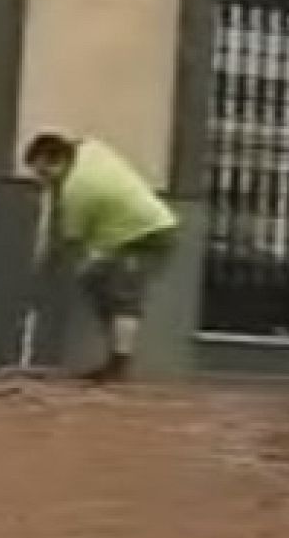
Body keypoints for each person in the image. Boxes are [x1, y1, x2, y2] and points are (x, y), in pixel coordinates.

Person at [24, 132, 179, 384]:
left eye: (44, 173)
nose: (43, 181)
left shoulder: (78, 190)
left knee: (123, 295)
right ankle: (114, 356)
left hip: (144, 234)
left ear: (57, 161)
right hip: (121, 234)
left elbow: (71, 241)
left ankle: (118, 366)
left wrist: (48, 266)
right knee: (97, 283)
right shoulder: (90, 149)